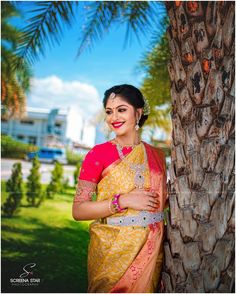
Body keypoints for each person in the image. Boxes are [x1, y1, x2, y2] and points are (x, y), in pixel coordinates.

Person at [72, 84, 168, 293]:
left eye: (121, 109)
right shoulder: (98, 155)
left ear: (138, 112)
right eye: (109, 111)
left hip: (152, 247)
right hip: (111, 251)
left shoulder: (157, 155)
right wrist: (122, 201)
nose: (113, 117)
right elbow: (78, 210)